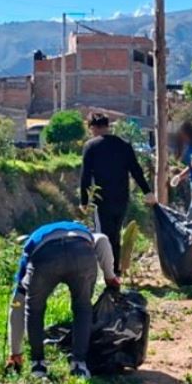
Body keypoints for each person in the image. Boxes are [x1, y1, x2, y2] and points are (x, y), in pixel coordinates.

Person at [7, 220, 119, 379]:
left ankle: (37, 366)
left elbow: (18, 301)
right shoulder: (84, 232)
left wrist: (15, 352)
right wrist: (110, 276)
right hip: (81, 253)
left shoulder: (33, 241)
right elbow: (102, 240)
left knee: (34, 309)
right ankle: (79, 366)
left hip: (45, 256)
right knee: (82, 308)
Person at [80, 112, 151, 275]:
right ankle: (116, 272)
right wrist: (147, 191)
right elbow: (136, 170)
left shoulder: (91, 146)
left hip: (101, 199)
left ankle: (106, 274)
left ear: (92, 127)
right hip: (122, 198)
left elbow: (85, 175)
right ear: (107, 126)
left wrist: (84, 201)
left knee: (102, 236)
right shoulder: (124, 145)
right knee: (115, 235)